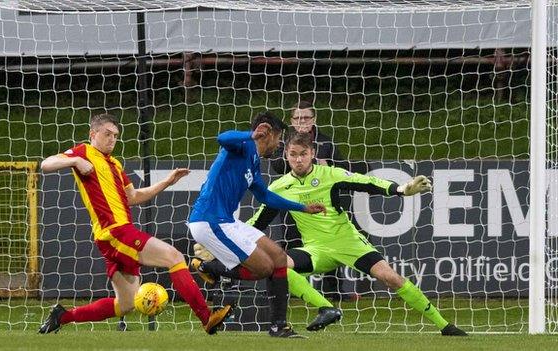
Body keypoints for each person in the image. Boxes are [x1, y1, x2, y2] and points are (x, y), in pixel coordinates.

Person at [193, 132, 467, 336]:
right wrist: (218, 243)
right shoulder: (280, 186)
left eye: (303, 154)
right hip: (316, 249)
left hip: (348, 243)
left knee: (391, 278)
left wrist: (399, 190)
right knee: (280, 266)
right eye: (292, 155)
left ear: (312, 153)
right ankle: (326, 308)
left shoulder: (331, 174)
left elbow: (367, 182)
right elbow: (257, 222)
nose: (298, 160)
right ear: (286, 156)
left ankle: (445, 326)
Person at [38, 113, 231, 334]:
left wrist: (167, 181)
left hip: (114, 237)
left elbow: (134, 196)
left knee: (126, 304)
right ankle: (206, 317)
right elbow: (46, 164)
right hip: (114, 232)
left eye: (116, 136)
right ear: (93, 134)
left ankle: (63, 316)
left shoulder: (115, 165)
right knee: (174, 257)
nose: (112, 139)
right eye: (107, 134)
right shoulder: (84, 152)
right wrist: (74, 160)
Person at [187, 112, 326, 338]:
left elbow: (265, 196)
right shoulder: (242, 145)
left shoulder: (253, 160)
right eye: (279, 138)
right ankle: (209, 267)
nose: (280, 144)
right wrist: (250, 135)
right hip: (209, 220)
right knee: (263, 268)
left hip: (228, 221)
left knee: (279, 258)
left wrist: (302, 207)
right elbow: (222, 138)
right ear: (266, 132)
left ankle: (278, 326)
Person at [271, 99, 368, 299]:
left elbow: (342, 167)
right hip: (292, 202)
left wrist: (328, 166)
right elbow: (276, 167)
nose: (302, 122)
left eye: (306, 117)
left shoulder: (325, 142)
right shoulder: (284, 142)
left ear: (314, 120)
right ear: (291, 121)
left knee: (329, 246)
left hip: (321, 204)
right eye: (298, 118)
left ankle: (333, 292)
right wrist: (295, 162)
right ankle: (294, 290)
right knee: (292, 243)